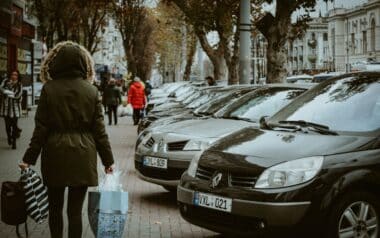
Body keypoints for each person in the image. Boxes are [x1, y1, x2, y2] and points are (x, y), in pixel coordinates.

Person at [19, 41, 115, 238]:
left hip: (54, 154)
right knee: (75, 212)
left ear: (57, 63)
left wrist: (28, 159)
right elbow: (99, 131)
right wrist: (108, 161)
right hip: (83, 155)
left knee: (55, 209)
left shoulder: (49, 89)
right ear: (82, 63)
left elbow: (40, 130)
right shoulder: (92, 91)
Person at [0, 70, 22, 149]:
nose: (14, 76)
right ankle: (9, 137)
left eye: (16, 75)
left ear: (18, 76)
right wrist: (9, 93)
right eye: (13, 74)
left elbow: (18, 95)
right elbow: (1, 89)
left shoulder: (19, 84)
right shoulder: (5, 81)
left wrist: (7, 92)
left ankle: (14, 142)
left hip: (15, 109)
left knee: (14, 126)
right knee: (7, 126)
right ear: (10, 75)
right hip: (6, 108)